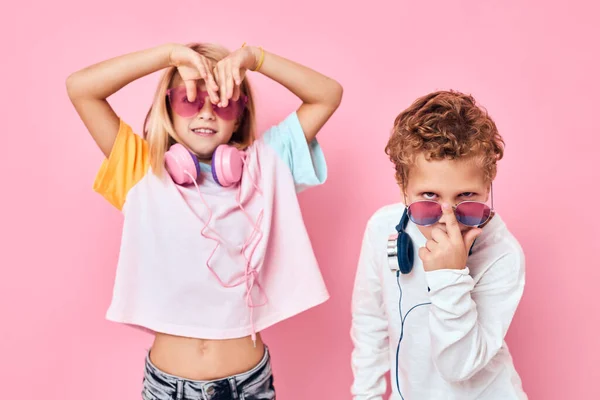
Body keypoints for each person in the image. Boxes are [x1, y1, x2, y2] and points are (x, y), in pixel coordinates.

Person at [66, 41, 342, 400]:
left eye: (223, 102)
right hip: (167, 388)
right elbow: (81, 88)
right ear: (168, 105)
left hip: (248, 386)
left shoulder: (266, 165)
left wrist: (254, 58)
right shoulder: (141, 170)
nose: (206, 113)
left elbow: (328, 95)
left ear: (240, 114)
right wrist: (168, 57)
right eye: (189, 98)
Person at [350, 90, 527, 399]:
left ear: (488, 187)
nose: (447, 219)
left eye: (466, 197)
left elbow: (458, 367)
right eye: (429, 197)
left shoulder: (503, 254)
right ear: (403, 188)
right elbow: (370, 321)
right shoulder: (382, 229)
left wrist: (451, 274)